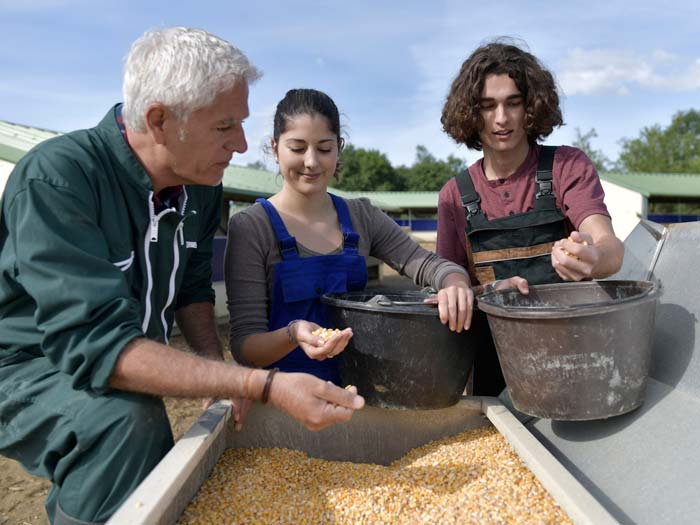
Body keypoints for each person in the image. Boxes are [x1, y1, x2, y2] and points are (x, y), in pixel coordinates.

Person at [0, 28, 363, 525]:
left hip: (118, 359)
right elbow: (98, 346)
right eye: (224, 127)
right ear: (159, 120)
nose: (240, 144)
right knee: (122, 424)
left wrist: (217, 370)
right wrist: (262, 384)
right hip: (28, 368)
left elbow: (193, 290)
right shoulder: (61, 179)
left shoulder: (199, 187)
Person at [225, 88, 480, 385]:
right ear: (274, 147)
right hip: (287, 403)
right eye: (297, 148)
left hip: (359, 393)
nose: (311, 162)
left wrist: (455, 282)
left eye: (324, 148)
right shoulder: (252, 227)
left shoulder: (362, 217)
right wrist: (293, 334)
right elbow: (246, 348)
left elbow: (425, 264)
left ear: (339, 148)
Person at [436, 39, 624, 394]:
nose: (501, 119)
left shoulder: (567, 167)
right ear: (470, 113)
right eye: (487, 106)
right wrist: (488, 291)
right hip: (494, 365)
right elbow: (446, 293)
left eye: (513, 103)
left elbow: (609, 247)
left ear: (531, 106)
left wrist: (594, 257)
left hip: (575, 356)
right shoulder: (454, 196)